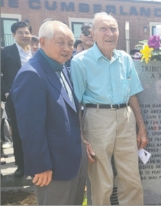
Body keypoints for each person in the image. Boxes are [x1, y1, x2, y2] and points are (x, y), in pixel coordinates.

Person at [70, 12, 148, 205]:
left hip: (125, 118)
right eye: (103, 28)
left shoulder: (125, 59)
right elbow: (76, 103)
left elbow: (132, 94)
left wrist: (142, 127)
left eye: (113, 28)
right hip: (97, 119)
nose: (109, 33)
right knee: (101, 182)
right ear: (93, 34)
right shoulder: (80, 62)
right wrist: (82, 138)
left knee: (131, 178)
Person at [11, 20, 87, 205]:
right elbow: (31, 129)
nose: (67, 48)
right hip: (53, 168)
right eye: (60, 42)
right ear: (43, 42)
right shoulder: (31, 74)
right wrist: (41, 166)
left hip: (73, 161)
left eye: (70, 43)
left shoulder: (62, 68)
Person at [1, 21, 32, 178]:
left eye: (27, 32)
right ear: (13, 35)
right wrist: (6, 93)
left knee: (35, 131)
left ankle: (34, 164)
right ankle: (21, 166)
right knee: (19, 133)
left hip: (35, 99)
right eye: (21, 32)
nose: (25, 35)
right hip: (15, 99)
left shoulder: (35, 53)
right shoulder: (6, 52)